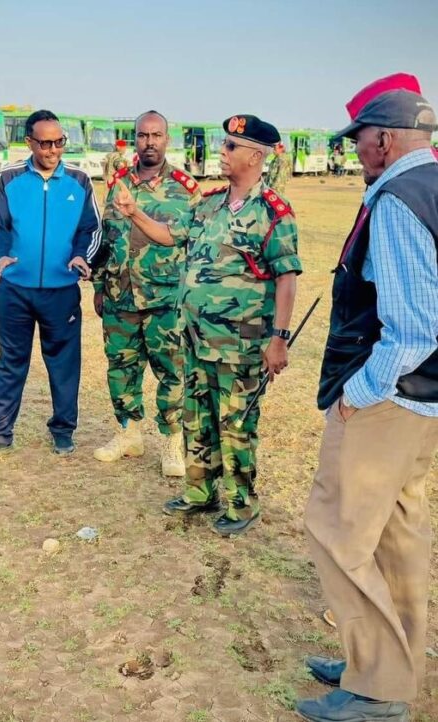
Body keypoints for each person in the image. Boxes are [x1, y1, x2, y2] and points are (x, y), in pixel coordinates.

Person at [298, 73, 438, 722]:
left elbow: (413, 326)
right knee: (398, 538)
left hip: (389, 402)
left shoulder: (399, 199)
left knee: (336, 530)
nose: (355, 150)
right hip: (425, 405)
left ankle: (380, 688)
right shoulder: (431, 185)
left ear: (383, 139)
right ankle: (390, 661)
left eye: (359, 140)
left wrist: (358, 392)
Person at [162, 114, 302, 536]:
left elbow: (287, 277)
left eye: (230, 147)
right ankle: (200, 492)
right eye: (223, 145)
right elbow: (172, 238)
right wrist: (133, 215)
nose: (221, 153)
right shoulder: (208, 203)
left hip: (241, 343)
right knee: (196, 417)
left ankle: (243, 505)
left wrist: (278, 339)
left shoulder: (273, 211)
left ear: (255, 156)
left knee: (236, 425)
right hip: (197, 338)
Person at [0, 109, 101, 460]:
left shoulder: (80, 182)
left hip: (61, 290)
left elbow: (92, 228)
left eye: (59, 142)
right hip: (15, 290)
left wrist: (83, 255)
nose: (53, 150)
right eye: (45, 143)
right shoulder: (8, 179)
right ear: (29, 142)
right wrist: (1, 255)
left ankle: (63, 430)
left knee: (64, 363)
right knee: (12, 360)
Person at [92, 110, 201, 477]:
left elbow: (197, 247)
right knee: (121, 367)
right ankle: (128, 433)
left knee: (172, 370)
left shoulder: (186, 190)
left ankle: (172, 441)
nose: (149, 141)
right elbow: (106, 238)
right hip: (119, 295)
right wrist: (97, 285)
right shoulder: (118, 184)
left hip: (166, 299)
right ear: (135, 139)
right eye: (143, 135)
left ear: (167, 140)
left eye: (156, 135)